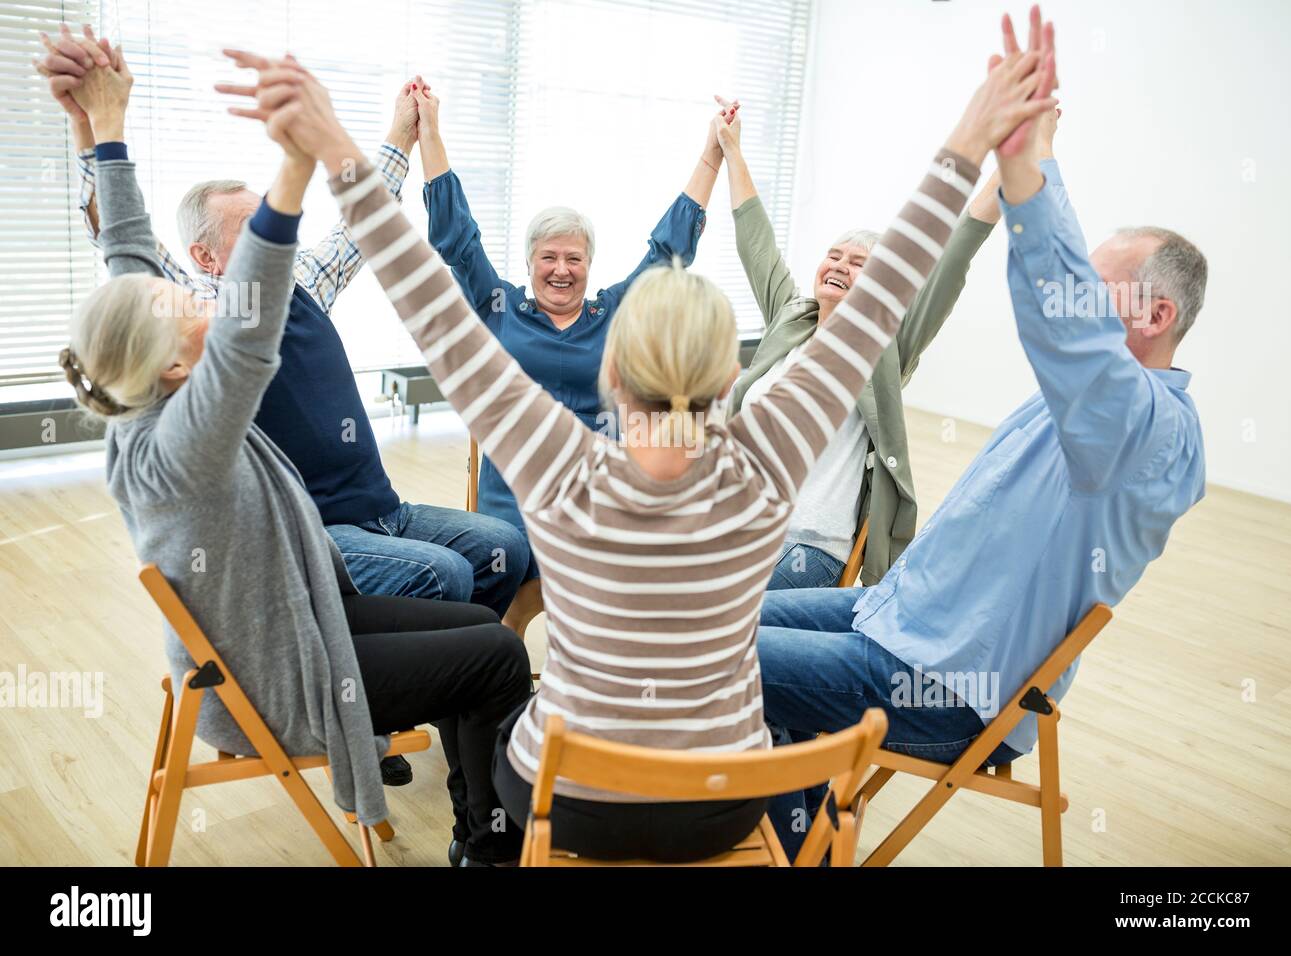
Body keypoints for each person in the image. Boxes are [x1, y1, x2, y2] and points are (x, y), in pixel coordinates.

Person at [223, 32, 1057, 861]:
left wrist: (332, 145)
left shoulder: (557, 465)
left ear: (610, 372)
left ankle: (484, 844)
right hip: (721, 805)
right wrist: (973, 138)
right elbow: (887, 292)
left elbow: (430, 303)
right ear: (730, 383)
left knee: (506, 713)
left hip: (571, 799)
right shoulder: (768, 459)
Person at [54, 40, 531, 867]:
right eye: (182, 293)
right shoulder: (183, 439)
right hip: (279, 671)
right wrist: (294, 161)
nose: (191, 292)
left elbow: (125, 249)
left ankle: (478, 816)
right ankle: (489, 847)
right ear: (172, 361)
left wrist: (106, 123)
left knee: (476, 621)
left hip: (304, 612)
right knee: (494, 654)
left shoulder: (149, 382)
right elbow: (246, 329)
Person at [757, 8, 1207, 858]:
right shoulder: (1095, 405)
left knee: (708, 651)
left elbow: (1069, 335)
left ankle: (786, 844)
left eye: (1097, 287)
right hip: (893, 618)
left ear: (1155, 314)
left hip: (948, 686)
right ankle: (798, 827)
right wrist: (1032, 152)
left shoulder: (1150, 435)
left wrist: (1029, 167)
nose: (1076, 299)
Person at [38, 26, 530, 624]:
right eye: (253, 224)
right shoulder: (198, 313)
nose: (277, 231)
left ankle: (460, 674)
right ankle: (416, 672)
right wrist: (92, 125)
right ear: (204, 258)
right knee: (444, 574)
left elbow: (361, 226)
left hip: (385, 510)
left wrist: (403, 130)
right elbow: (118, 234)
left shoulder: (303, 283)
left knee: (504, 546)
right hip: (316, 533)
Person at [718, 100, 1050, 589]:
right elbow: (756, 239)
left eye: (857, 264)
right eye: (834, 255)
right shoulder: (788, 322)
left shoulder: (884, 348)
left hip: (804, 545)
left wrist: (1013, 161)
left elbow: (956, 249)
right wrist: (732, 149)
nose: (839, 265)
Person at [413, 84, 726, 583]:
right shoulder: (499, 306)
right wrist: (429, 132)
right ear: (531, 263)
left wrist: (712, 155)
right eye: (549, 258)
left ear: (589, 265)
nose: (561, 270)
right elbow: (457, 237)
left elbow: (669, 254)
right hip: (511, 504)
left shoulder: (617, 313)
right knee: (497, 569)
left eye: (574, 259)